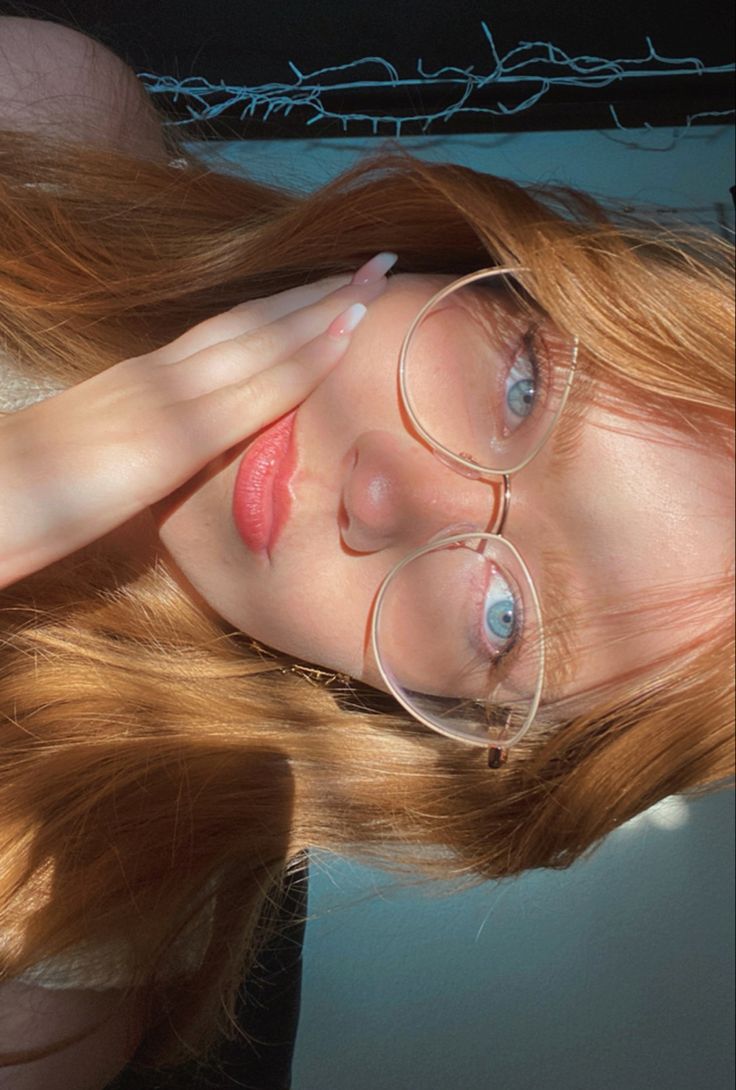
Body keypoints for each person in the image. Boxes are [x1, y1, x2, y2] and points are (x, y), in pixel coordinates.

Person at [0, 15, 733, 1090]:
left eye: (503, 617)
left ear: (456, 728)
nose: (386, 492)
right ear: (485, 263)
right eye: (523, 386)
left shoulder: (48, 966)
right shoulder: (43, 115)